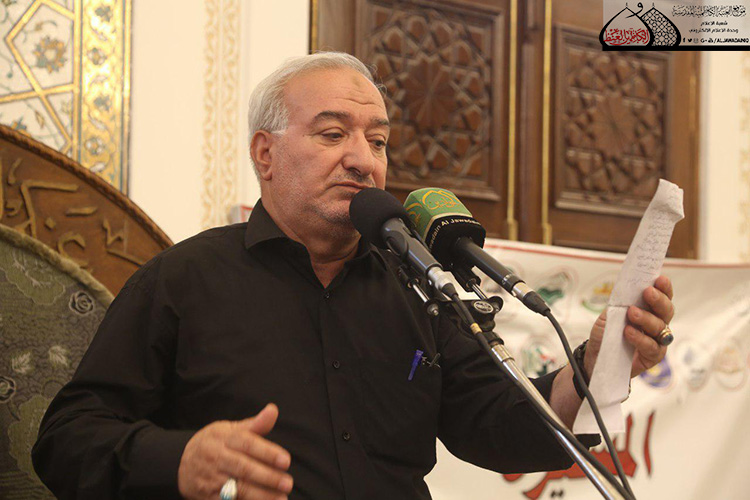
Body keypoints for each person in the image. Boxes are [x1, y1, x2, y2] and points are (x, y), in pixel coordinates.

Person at [32, 52, 675, 500]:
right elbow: (65, 441)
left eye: (378, 141)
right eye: (333, 134)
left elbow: (498, 423)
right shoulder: (183, 280)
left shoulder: (417, 285)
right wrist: (179, 461)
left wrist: (596, 363)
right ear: (265, 154)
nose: (363, 161)